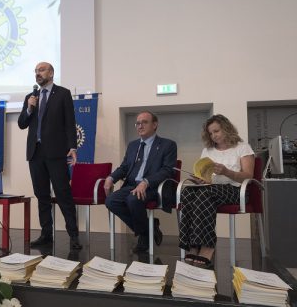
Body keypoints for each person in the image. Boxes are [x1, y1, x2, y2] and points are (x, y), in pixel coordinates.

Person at [18, 62, 82, 250]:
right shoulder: (31, 97)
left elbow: (70, 122)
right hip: (35, 153)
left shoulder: (63, 94)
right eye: (36, 71)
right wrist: (29, 108)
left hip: (55, 153)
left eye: (42, 70)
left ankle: (73, 235)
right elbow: (22, 124)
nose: (38, 73)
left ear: (51, 73)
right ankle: (46, 234)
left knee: (63, 193)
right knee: (42, 195)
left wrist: (73, 147)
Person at [179, 114, 255, 269]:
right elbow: (205, 175)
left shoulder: (242, 147)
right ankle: (193, 244)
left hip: (235, 189)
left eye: (216, 131)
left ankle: (207, 246)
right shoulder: (208, 150)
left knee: (205, 194)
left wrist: (227, 172)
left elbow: (248, 176)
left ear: (226, 128)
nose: (214, 136)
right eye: (211, 133)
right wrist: (200, 179)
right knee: (187, 192)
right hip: (211, 187)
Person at [104, 111, 177, 252]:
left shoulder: (168, 145)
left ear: (155, 125)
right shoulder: (133, 145)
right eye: (137, 123)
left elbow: (168, 170)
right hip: (132, 185)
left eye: (144, 122)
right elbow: (125, 167)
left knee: (133, 199)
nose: (140, 126)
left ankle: (144, 237)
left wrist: (146, 182)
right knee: (111, 201)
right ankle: (149, 229)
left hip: (153, 187)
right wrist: (111, 177)